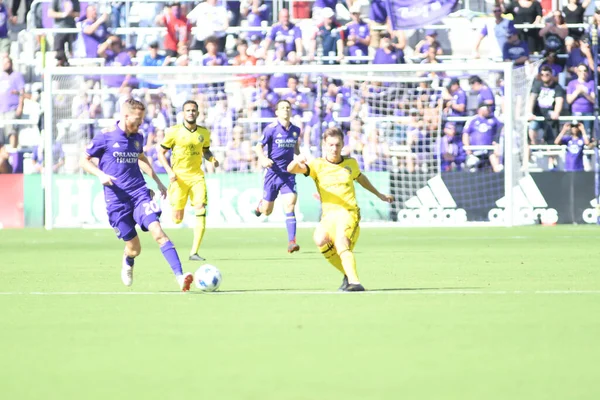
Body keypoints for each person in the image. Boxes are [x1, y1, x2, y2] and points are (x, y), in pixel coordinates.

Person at [80, 99, 194, 291]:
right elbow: (83, 160)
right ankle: (128, 259)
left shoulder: (137, 138)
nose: (140, 124)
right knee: (135, 248)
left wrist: (157, 182)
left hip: (139, 193)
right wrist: (100, 174)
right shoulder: (105, 137)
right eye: (137, 120)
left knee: (158, 232)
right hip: (116, 200)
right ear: (125, 116)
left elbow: (141, 158)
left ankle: (180, 277)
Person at [286, 127, 393, 292]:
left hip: (348, 213)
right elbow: (291, 169)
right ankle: (347, 274)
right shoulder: (317, 165)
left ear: (343, 144)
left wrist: (379, 194)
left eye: (337, 145)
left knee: (342, 242)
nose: (334, 148)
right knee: (320, 240)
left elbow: (360, 178)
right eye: (330, 145)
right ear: (324, 145)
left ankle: (355, 283)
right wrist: (297, 160)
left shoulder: (350, 164)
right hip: (328, 216)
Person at [156, 100, 219, 262]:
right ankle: (176, 216)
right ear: (183, 113)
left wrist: (212, 159)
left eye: (193, 110)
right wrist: (169, 171)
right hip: (178, 178)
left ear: (198, 113)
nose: (191, 113)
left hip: (197, 177)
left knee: (200, 208)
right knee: (177, 218)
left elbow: (205, 150)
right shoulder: (173, 132)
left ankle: (194, 252)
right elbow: (160, 153)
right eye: (188, 110)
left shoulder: (204, 133)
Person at [253, 100, 302, 253]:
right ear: (277, 112)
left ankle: (292, 242)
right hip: (273, 173)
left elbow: (296, 147)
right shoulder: (271, 129)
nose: (286, 110)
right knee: (267, 211)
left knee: (290, 204)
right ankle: (261, 205)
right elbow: (258, 146)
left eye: (288, 108)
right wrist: (263, 159)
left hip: (288, 174)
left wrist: (301, 158)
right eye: (282, 108)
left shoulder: (295, 130)